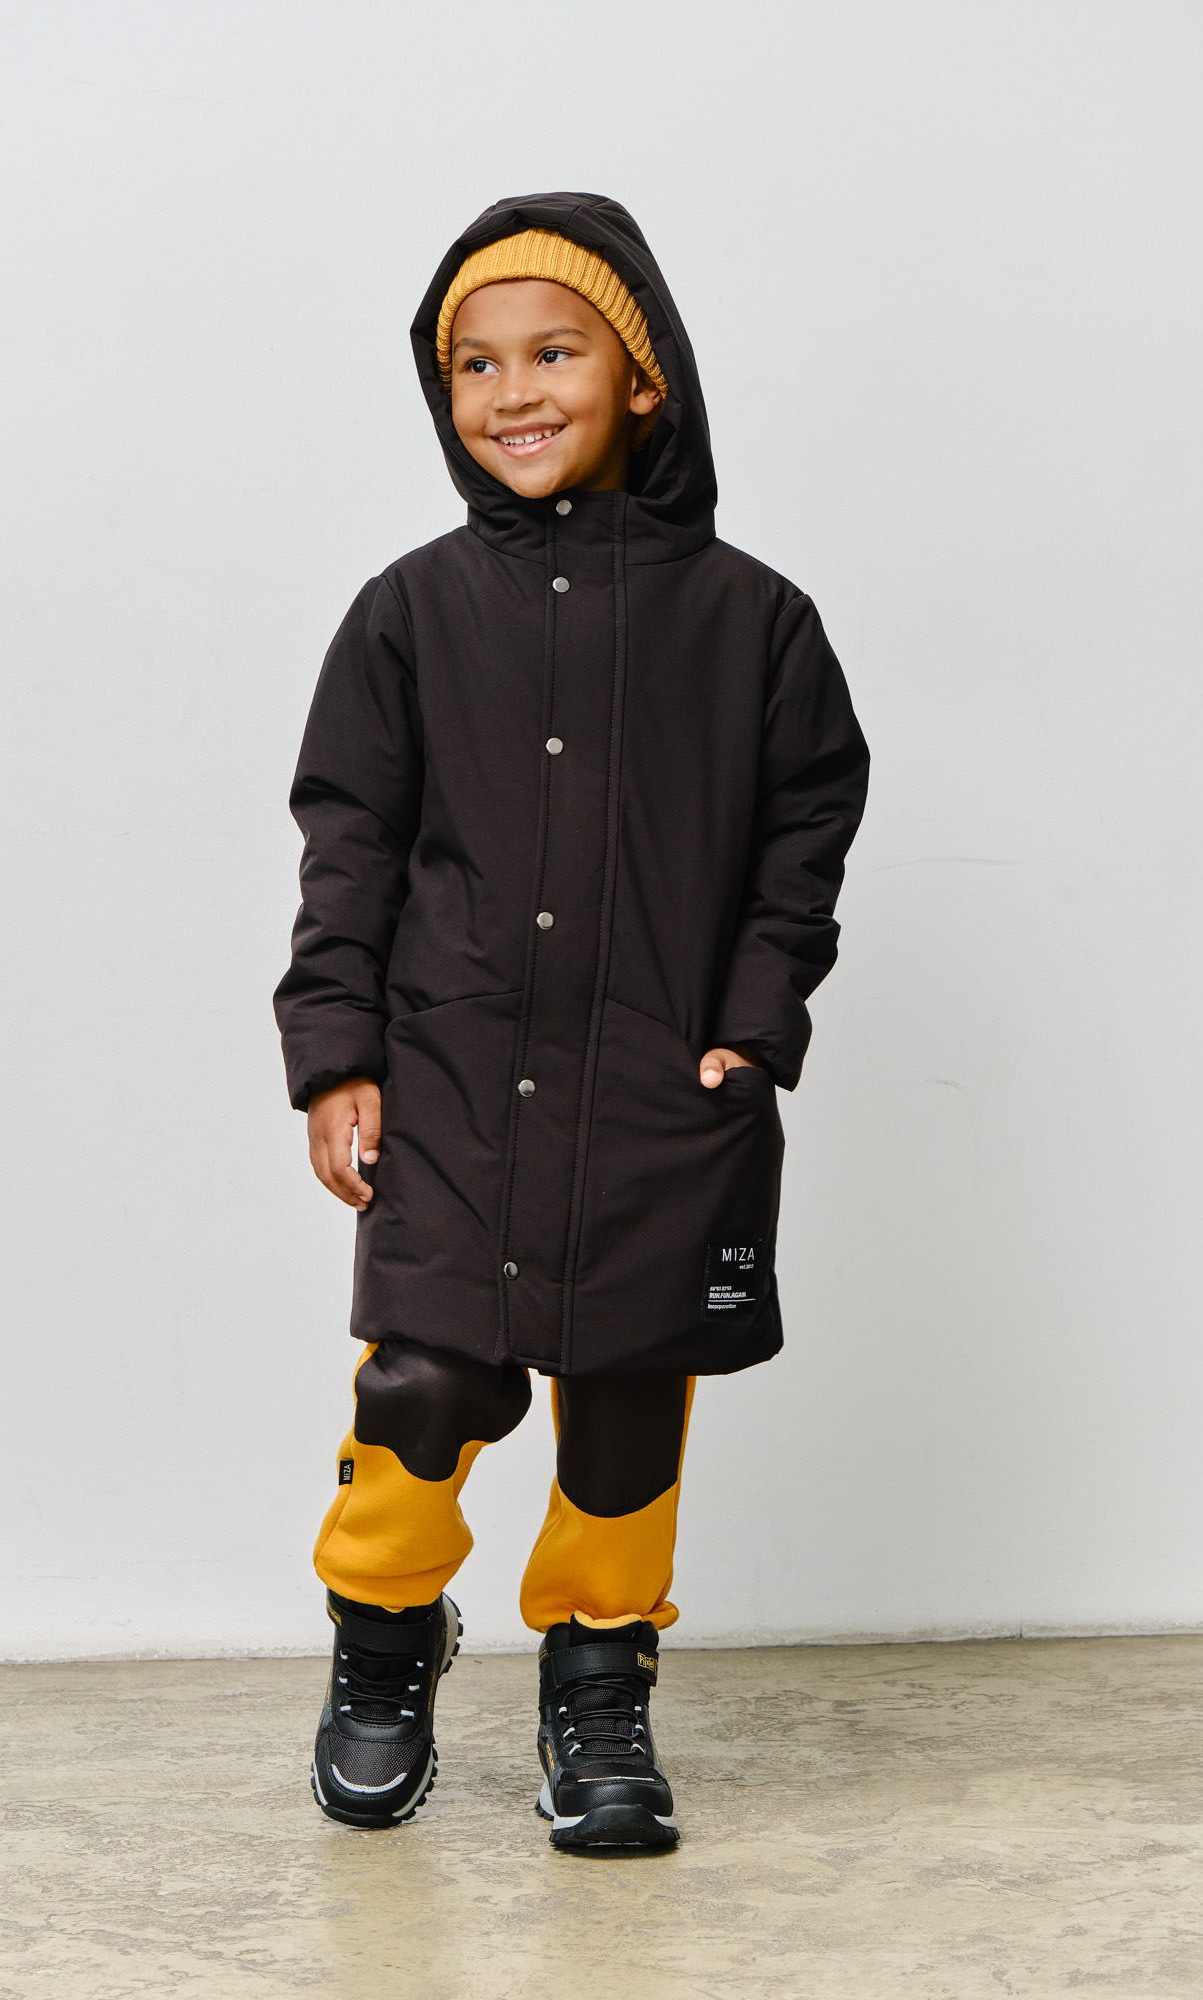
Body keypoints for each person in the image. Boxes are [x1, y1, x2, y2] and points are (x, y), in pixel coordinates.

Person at [275, 192, 869, 1849]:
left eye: (553, 352)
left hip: (658, 1083)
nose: (511, 392)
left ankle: (598, 1684)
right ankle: (383, 1632)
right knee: (420, 1380)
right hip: (453, 1075)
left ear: (643, 377)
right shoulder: (407, 612)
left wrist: (750, 1024)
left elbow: (804, 832)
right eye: (473, 364)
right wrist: (336, 1054)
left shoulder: (753, 621)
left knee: (625, 1396)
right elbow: (348, 842)